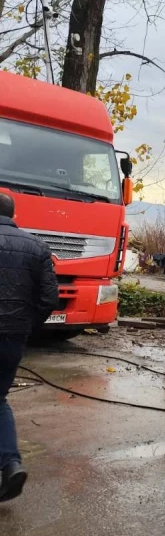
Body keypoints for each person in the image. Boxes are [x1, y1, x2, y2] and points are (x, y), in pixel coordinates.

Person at [0, 192, 58, 502]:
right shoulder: (37, 247)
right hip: (12, 337)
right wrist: (26, 326)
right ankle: (10, 464)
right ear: (14, 213)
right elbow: (49, 298)